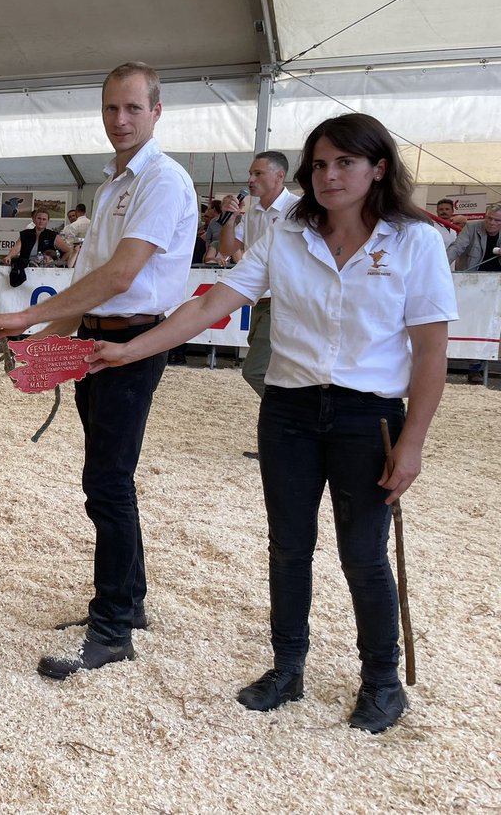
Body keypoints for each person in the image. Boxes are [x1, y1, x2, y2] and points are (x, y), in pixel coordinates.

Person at [86, 112, 456, 733]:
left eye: (345, 163)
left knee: (363, 554)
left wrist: (412, 441)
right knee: (288, 547)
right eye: (320, 164)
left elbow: (432, 351)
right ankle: (288, 668)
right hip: (288, 410)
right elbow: (215, 302)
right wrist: (130, 350)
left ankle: (382, 681)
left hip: (369, 418)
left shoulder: (414, 241)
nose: (330, 176)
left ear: (378, 169)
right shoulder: (288, 232)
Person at [0, 62, 197, 680]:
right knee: (110, 478)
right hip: (97, 341)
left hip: (132, 343)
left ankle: (112, 627)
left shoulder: (162, 180)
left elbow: (122, 277)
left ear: (156, 112)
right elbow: (93, 287)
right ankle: (130, 602)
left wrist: (26, 317)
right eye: (110, 108)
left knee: (107, 482)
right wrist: (39, 341)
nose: (120, 120)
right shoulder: (112, 185)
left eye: (132, 108)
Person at [220, 152, 302, 401]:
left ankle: (287, 413)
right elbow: (227, 249)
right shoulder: (254, 212)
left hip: (283, 300)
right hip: (261, 299)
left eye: (258, 173)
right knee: (269, 369)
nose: (250, 180)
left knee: (255, 370)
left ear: (279, 176)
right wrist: (229, 220)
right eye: (250, 174)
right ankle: (286, 412)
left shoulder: (296, 208)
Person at [445, 202, 501, 383]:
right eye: (489, 218)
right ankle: (447, 364)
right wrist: (440, 266)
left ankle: (476, 368)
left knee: (489, 327)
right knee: (468, 324)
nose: (492, 223)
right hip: (472, 284)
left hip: (496, 287)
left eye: (497, 220)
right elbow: (456, 248)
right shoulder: (471, 228)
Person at [3, 208, 72, 267]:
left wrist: (57, 263)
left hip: (45, 269)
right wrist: (9, 256)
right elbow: (17, 248)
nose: (41, 221)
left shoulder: (53, 235)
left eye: (44, 219)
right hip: (25, 267)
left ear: (47, 221)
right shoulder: (25, 234)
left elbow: (68, 251)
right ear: (34, 219)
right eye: (39, 218)